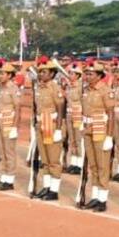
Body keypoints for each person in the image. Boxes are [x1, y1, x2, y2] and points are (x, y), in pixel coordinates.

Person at [79, 61, 114, 211]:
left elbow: (111, 114)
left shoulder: (105, 91)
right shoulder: (86, 90)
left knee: (102, 166)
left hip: (100, 129)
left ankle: (102, 199)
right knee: (93, 165)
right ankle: (95, 196)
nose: (87, 76)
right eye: (86, 74)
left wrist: (109, 136)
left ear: (99, 76)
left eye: (90, 74)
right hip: (88, 128)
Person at [31, 57, 66, 200]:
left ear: (52, 74)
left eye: (44, 72)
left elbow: (60, 108)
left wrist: (58, 129)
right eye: (39, 72)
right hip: (41, 123)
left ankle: (54, 190)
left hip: (51, 124)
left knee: (53, 159)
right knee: (44, 158)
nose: (41, 74)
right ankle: (46, 186)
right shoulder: (39, 87)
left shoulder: (55, 88)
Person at [0, 62, 21, 189]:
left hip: (8, 122)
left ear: (9, 75)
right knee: (1, 151)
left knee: (9, 151)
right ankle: (4, 176)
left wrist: (14, 127)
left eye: (2, 73)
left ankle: (9, 180)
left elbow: (18, 108)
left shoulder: (13, 88)